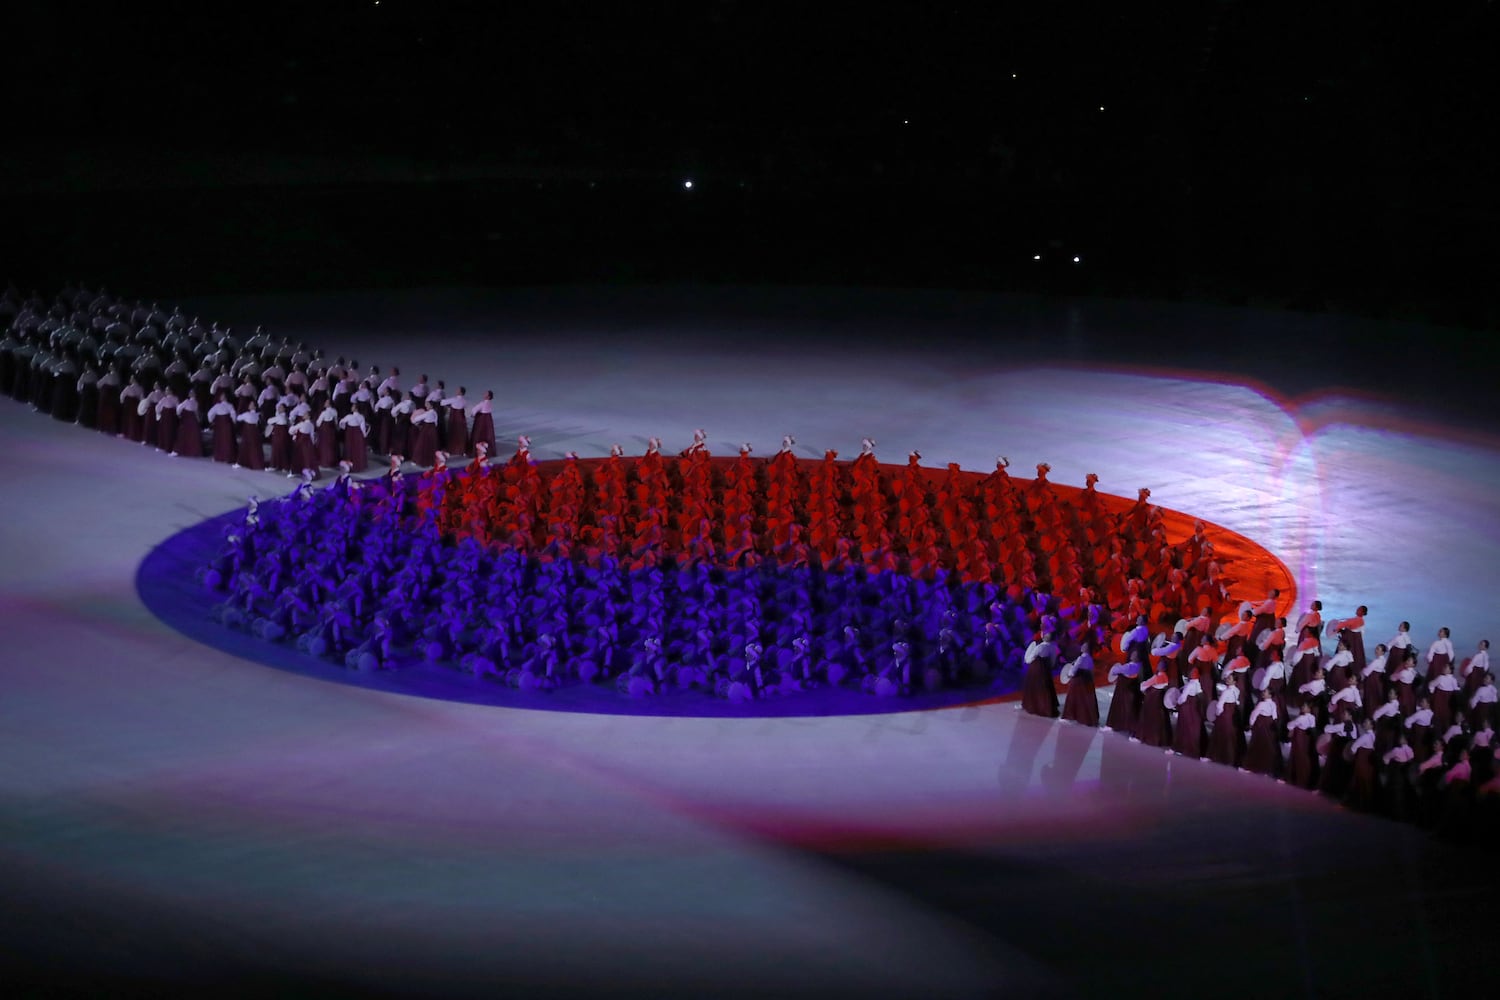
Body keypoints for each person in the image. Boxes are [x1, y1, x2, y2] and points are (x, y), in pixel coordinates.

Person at [1103, 648, 1144, 733]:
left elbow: (1114, 671)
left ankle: (1112, 725)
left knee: (1117, 708)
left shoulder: (1129, 666)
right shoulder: (1140, 665)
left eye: (1134, 654)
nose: (1132, 655)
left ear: (1137, 657)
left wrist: (1117, 668)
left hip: (1123, 691)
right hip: (1132, 691)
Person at [1059, 638, 1098, 726]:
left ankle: (1069, 716)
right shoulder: (1090, 659)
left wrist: (1069, 675)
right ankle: (1086, 717)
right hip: (1087, 681)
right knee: (1085, 699)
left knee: (1073, 698)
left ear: (1086, 649)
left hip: (1078, 681)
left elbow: (1074, 669)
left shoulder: (1081, 658)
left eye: (1084, 646)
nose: (1082, 647)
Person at [1020, 631, 1060, 718]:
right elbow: (1053, 660)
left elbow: (1031, 657)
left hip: (1036, 669)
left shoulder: (1040, 647)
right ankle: (1048, 705)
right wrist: (1050, 667)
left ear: (1044, 638)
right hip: (1046, 670)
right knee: (1046, 686)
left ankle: (1032, 705)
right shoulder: (1053, 647)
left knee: (1033, 686)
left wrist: (1027, 661)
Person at [1244, 688, 1281, 777]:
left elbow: (1254, 714)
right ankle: (1266, 768)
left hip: (1261, 724)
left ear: (1270, 695)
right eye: (1263, 691)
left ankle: (1251, 766)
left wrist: (1251, 724)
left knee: (1256, 744)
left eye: (1265, 692)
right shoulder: (1273, 704)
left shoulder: (1261, 703)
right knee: (1267, 745)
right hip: (1269, 724)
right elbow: (1275, 715)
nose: (1263, 693)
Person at [1173, 668, 1207, 759]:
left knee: (1183, 727)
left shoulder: (1190, 685)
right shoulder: (1197, 683)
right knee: (1192, 728)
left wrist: (1177, 703)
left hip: (1186, 707)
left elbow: (1183, 698)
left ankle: (1181, 748)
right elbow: (1200, 694)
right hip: (1194, 708)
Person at [1134, 667, 1172, 748]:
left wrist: (1144, 689)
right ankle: (1161, 739)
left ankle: (1143, 736)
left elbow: (1143, 686)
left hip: (1152, 698)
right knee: (1159, 718)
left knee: (1148, 716)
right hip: (1160, 698)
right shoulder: (1165, 676)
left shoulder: (1156, 677)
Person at [206, 391, 237, 463]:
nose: (220, 397)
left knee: (220, 440)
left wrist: (211, 420)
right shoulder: (222, 405)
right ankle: (224, 457)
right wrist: (234, 421)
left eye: (222, 395)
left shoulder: (227, 405)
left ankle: (222, 456)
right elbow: (233, 414)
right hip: (224, 425)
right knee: (225, 440)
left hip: (222, 425)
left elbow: (210, 414)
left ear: (225, 397)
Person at [339, 407, 370, 473]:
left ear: (356, 409)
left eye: (353, 406)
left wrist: (343, 427)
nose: (352, 407)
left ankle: (349, 465)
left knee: (349, 447)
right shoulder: (361, 416)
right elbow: (363, 427)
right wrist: (364, 436)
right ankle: (358, 464)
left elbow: (342, 422)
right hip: (358, 433)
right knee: (357, 448)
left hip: (350, 433)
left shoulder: (349, 416)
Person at [234, 405, 264, 470]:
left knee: (245, 446)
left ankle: (240, 463)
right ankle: (256, 463)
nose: (250, 406)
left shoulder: (248, 414)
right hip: (255, 433)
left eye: (252, 405)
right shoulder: (258, 414)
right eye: (250, 404)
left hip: (248, 433)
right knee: (254, 447)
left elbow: (238, 418)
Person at [443, 386, 468, 456]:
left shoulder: (454, 399)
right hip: (461, 419)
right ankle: (462, 450)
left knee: (453, 433)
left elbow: (442, 403)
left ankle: (451, 449)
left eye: (458, 390)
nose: (456, 390)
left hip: (454, 419)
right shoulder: (464, 401)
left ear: (460, 392)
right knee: (461, 434)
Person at [471, 389, 497, 457]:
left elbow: (475, 410)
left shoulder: (483, 403)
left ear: (488, 397)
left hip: (482, 421)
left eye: (486, 394)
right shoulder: (489, 403)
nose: (484, 394)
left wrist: (473, 414)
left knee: (479, 434)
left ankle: (476, 451)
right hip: (488, 420)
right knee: (488, 434)